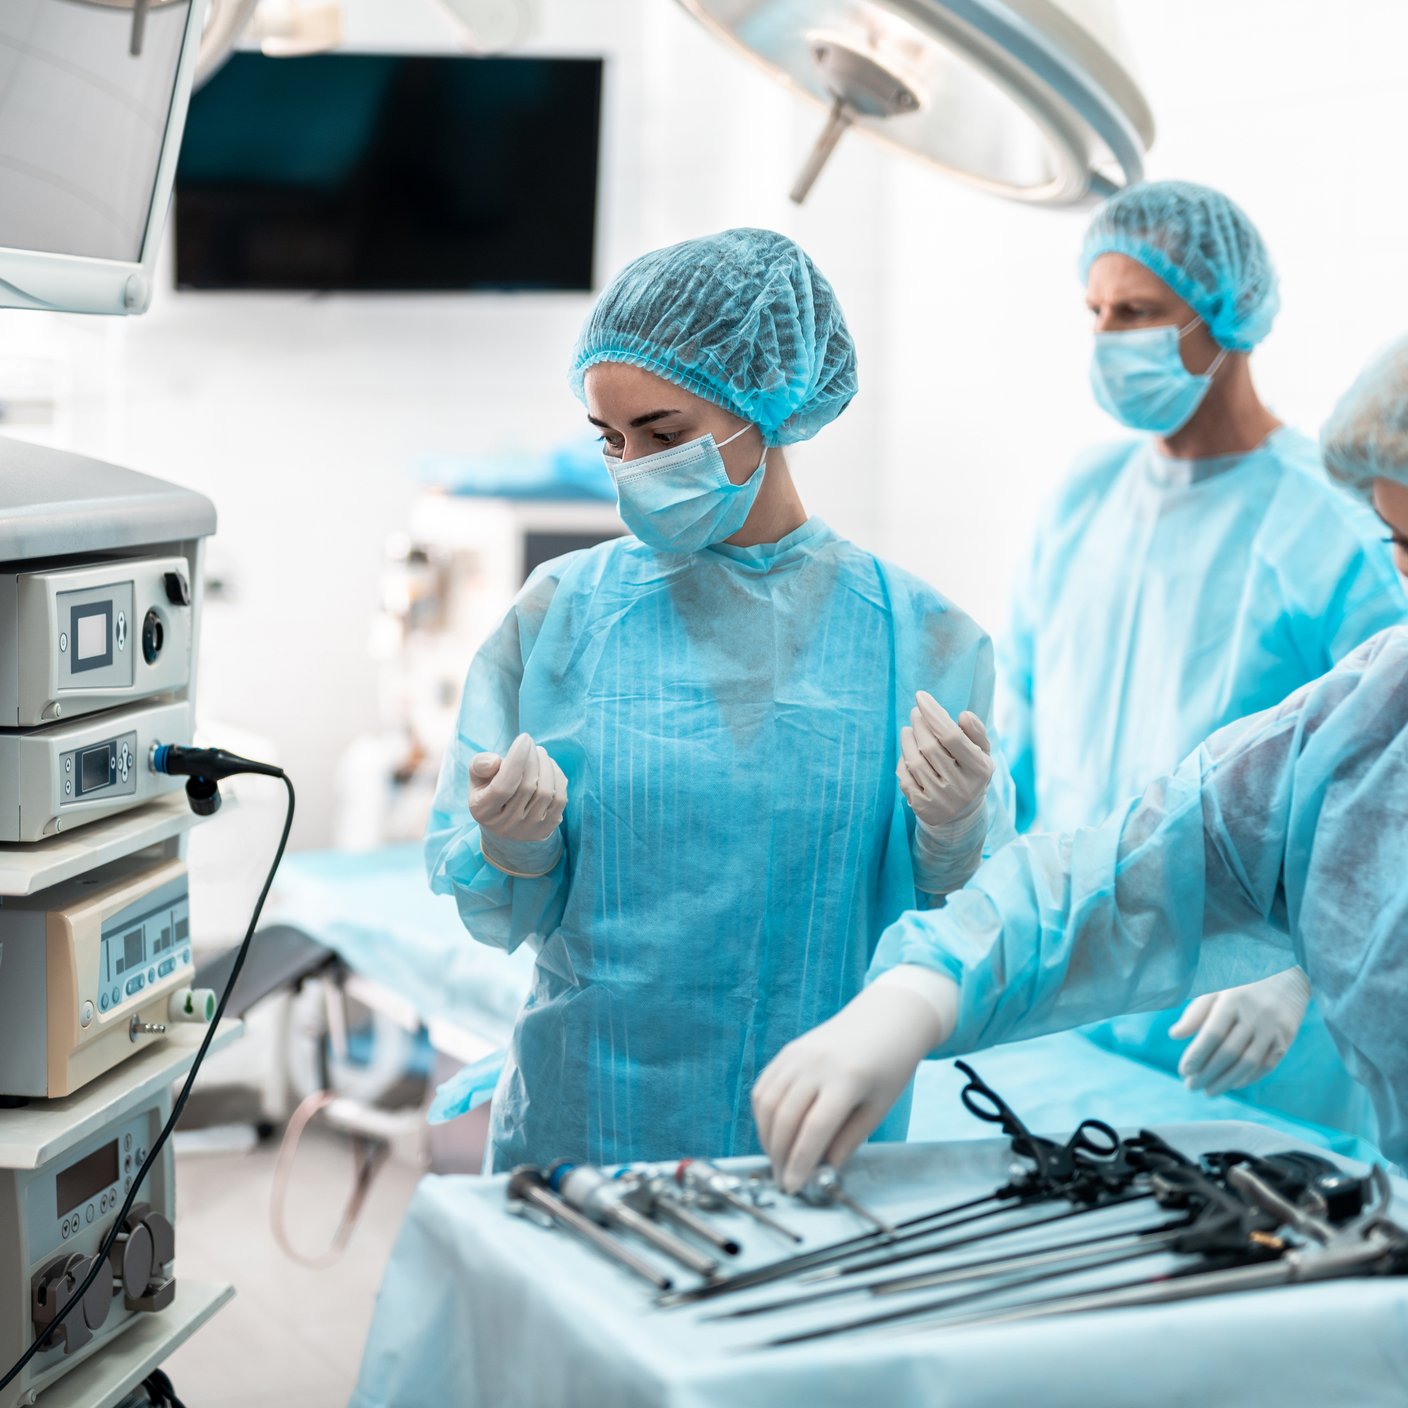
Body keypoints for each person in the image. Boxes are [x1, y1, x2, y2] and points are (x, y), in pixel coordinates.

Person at [753, 335, 1408, 1190]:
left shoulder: (1305, 540)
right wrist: (920, 993)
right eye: (1400, 543)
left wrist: (1290, 982)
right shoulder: (1372, 717)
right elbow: (1136, 864)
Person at [425, 228, 1013, 1171]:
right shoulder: (562, 617)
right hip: (587, 1122)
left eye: (663, 436)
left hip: (816, 1125)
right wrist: (512, 843)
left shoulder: (920, 637)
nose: (633, 469)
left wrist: (954, 832)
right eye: (612, 440)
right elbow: (500, 909)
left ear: (767, 411)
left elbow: (964, 934)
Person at [1000, 181, 1406, 1127]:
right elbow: (1020, 755)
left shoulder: (1336, 525)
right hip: (1078, 1005)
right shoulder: (1079, 502)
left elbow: (1386, 794)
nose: (1109, 339)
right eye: (1096, 313)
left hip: (1244, 1035)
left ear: (1227, 316)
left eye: (1137, 313)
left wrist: (1297, 968)